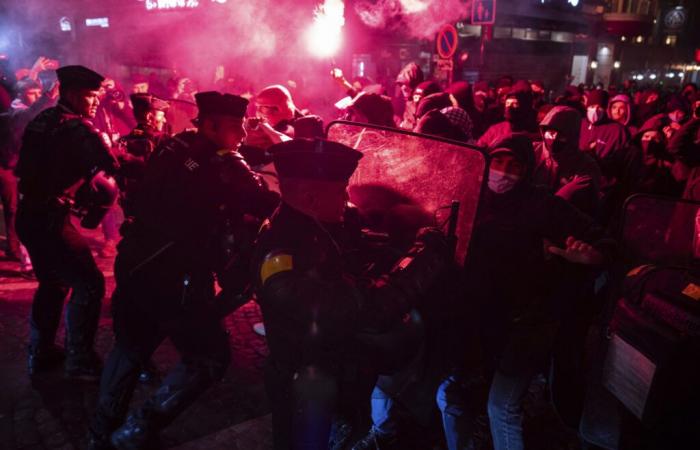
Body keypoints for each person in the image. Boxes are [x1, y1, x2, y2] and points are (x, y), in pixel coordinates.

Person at [87, 91, 279, 450]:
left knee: (130, 347)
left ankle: (101, 431)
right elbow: (265, 202)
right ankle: (138, 430)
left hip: (137, 262)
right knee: (209, 356)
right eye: (236, 125)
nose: (240, 133)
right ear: (210, 125)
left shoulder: (175, 145)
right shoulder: (223, 163)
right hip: (179, 276)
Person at [251, 137, 452, 449]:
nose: (346, 197)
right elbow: (368, 311)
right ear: (311, 198)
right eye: (340, 189)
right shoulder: (283, 253)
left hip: (335, 373)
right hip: (309, 383)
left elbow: (356, 261)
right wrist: (425, 259)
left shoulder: (314, 227)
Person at [436, 134, 611, 450]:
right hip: (475, 319)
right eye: (497, 161)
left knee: (501, 407)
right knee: (450, 393)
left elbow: (601, 241)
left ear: (527, 171)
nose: (503, 172)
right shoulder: (467, 195)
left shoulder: (540, 204)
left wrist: (589, 255)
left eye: (514, 166)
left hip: (525, 319)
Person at [15, 65, 119, 378]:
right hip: (50, 219)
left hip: (29, 216)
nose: (97, 101)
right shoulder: (77, 129)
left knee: (53, 283)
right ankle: (80, 359)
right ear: (72, 94)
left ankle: (41, 351)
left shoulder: (42, 120)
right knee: (89, 283)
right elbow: (108, 171)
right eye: (91, 95)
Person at [1, 78, 58, 268]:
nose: (36, 96)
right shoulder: (16, 112)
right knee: (15, 210)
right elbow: (27, 116)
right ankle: (26, 259)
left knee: (21, 211)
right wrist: (48, 97)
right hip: (9, 167)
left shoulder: (33, 112)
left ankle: (16, 249)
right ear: (21, 95)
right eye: (32, 93)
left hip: (25, 167)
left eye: (38, 92)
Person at [578, 89, 635, 226]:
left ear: (605, 109)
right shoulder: (579, 124)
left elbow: (621, 163)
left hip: (603, 189)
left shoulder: (617, 130)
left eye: (600, 107)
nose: (595, 110)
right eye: (592, 107)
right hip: (578, 184)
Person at [533, 105, 601, 216]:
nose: (554, 139)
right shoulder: (533, 152)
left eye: (562, 136)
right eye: (551, 133)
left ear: (572, 137)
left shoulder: (585, 166)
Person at [115, 93, 170, 217]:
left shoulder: (123, 140)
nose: (165, 120)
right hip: (156, 204)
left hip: (130, 203)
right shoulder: (162, 140)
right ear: (150, 116)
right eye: (162, 116)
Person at [477, 80, 538, 148]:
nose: (509, 107)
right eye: (507, 103)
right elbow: (480, 147)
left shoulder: (536, 131)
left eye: (514, 104)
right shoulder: (496, 130)